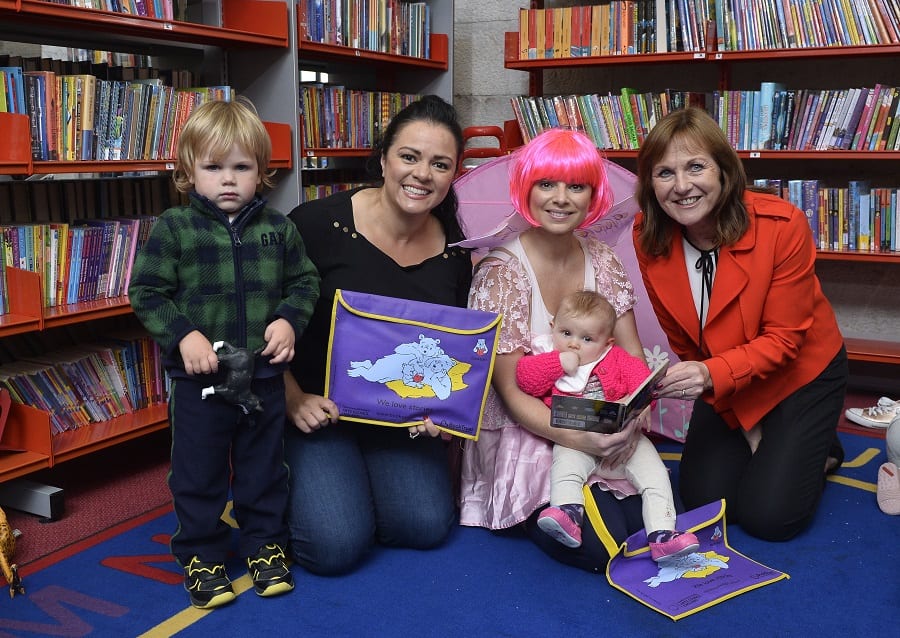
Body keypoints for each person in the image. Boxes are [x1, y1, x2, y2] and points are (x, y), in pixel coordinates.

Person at [129, 98, 320, 609]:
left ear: (263, 172)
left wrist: (287, 320)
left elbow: (305, 282)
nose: (228, 180)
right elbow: (146, 292)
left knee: (264, 469)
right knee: (198, 473)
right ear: (189, 172)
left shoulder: (279, 230)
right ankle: (202, 555)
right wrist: (183, 335)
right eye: (214, 167)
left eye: (242, 167)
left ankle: (265, 548)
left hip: (262, 379)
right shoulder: (175, 228)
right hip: (201, 383)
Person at [632, 106, 849, 541]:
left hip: (799, 373)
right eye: (665, 173)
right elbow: (686, 340)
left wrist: (712, 376)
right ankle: (785, 447)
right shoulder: (647, 234)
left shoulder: (782, 225)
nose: (682, 186)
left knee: (770, 518)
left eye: (696, 167)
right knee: (703, 501)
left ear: (725, 171)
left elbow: (786, 341)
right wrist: (741, 416)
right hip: (724, 378)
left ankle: (822, 447)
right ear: (650, 183)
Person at [460, 127, 665, 573]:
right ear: (525, 189)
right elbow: (513, 397)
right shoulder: (501, 273)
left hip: (602, 422)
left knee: (650, 521)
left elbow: (631, 358)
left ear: (593, 195)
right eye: (546, 184)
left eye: (577, 186)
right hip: (532, 435)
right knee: (603, 548)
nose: (561, 198)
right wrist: (579, 439)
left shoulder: (602, 259)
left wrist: (631, 418)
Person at [283, 95, 473, 575]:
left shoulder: (456, 250)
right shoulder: (313, 225)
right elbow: (260, 320)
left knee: (427, 526)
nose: (422, 174)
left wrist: (442, 411)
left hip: (400, 417)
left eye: (440, 164)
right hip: (315, 410)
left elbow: (452, 347)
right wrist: (291, 399)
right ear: (384, 157)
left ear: (454, 175)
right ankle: (283, 480)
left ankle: (354, 487)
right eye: (409, 156)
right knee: (335, 548)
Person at [516, 290, 699, 560]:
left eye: (587, 339)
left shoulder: (615, 358)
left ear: (606, 342)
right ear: (553, 327)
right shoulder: (546, 353)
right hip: (575, 439)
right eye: (566, 333)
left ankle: (662, 534)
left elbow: (643, 382)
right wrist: (557, 364)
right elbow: (525, 380)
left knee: (656, 477)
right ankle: (568, 513)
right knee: (565, 468)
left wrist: (642, 407)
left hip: (623, 441)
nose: (574, 344)